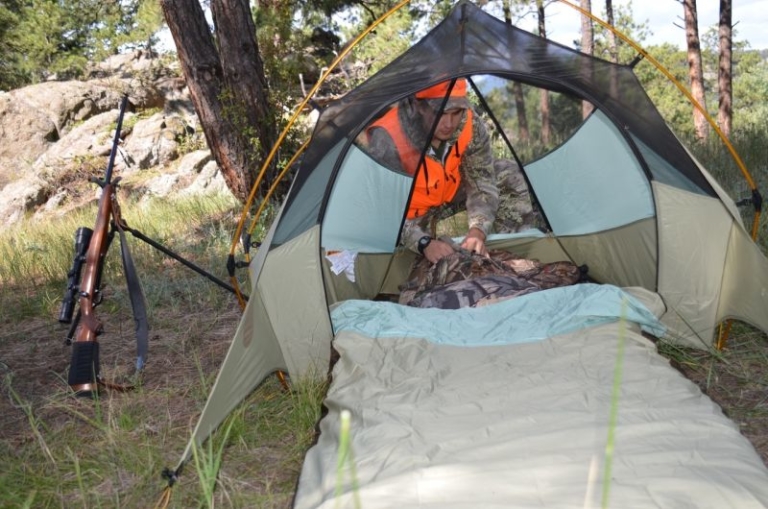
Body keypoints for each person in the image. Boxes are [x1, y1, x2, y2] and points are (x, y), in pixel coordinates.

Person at [359, 78, 541, 263]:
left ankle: (514, 260)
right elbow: (384, 210)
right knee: (417, 265)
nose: (449, 123)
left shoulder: (469, 122)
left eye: (456, 112)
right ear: (420, 107)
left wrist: (477, 231)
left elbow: (481, 181)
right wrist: (423, 243)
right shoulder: (387, 137)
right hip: (408, 216)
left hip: (449, 193)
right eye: (441, 113)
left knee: (507, 172)